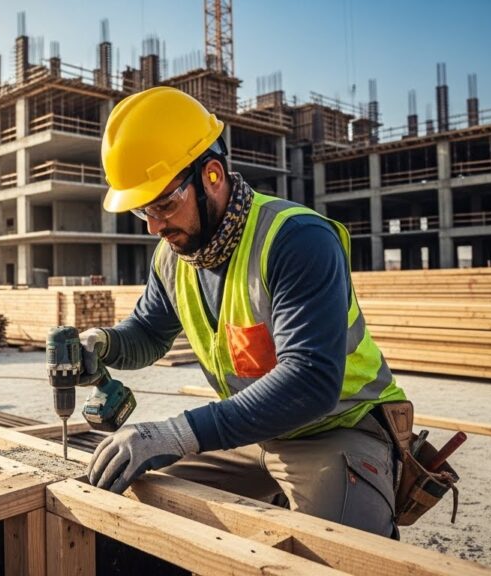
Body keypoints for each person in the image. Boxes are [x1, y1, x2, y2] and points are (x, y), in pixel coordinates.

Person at [81, 86, 409, 538]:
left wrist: (178, 433)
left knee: (337, 552)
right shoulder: (173, 257)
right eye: (143, 211)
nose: (155, 226)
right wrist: (104, 343)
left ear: (212, 176)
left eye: (164, 204)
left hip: (336, 428)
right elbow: (149, 332)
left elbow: (311, 380)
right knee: (147, 502)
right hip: (250, 431)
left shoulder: (297, 239)